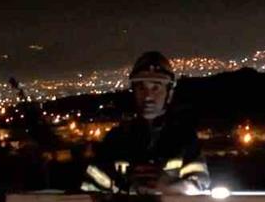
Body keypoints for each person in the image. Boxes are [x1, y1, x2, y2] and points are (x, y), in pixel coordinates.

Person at [84, 51, 210, 194]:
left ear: (169, 93)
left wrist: (168, 185)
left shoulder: (185, 139)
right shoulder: (115, 140)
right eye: (141, 88)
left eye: (155, 88)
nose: (148, 96)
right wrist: (128, 186)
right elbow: (90, 190)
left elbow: (200, 187)